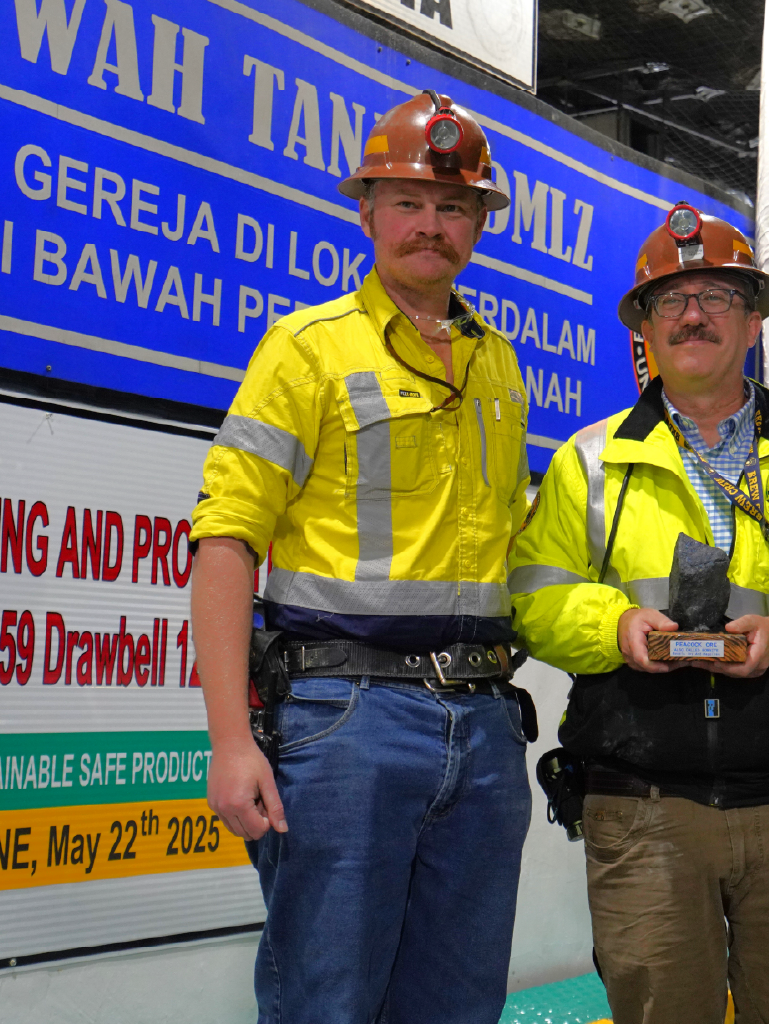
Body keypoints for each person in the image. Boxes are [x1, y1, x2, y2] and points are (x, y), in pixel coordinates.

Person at [510, 202, 769, 1024]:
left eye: (714, 296)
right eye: (670, 299)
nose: (692, 314)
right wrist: (613, 627)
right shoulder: (588, 462)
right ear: (645, 327)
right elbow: (531, 600)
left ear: (752, 320)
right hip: (641, 809)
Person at [190, 90, 533, 1024]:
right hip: (344, 723)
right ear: (367, 212)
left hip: (485, 724)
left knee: (458, 1007)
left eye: (454, 206)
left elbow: (508, 543)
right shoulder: (305, 350)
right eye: (408, 202)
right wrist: (229, 742)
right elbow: (225, 540)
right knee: (326, 1003)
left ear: (478, 225)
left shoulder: (498, 366)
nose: (432, 225)